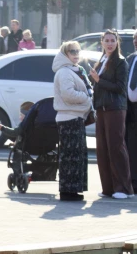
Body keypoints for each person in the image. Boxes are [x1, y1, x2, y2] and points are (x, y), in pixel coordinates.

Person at [89, 29, 134, 199]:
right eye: (106, 40)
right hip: (101, 108)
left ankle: (123, 188)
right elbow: (96, 83)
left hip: (115, 109)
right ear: (102, 42)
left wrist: (99, 80)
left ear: (117, 43)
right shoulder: (101, 60)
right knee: (102, 149)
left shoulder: (121, 62)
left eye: (112, 40)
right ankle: (108, 188)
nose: (109, 43)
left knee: (116, 147)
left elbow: (120, 87)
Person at [52, 41, 92, 201]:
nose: (76, 54)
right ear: (65, 54)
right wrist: (87, 98)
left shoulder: (77, 70)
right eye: (72, 51)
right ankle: (67, 192)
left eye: (77, 51)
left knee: (77, 156)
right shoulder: (64, 72)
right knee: (70, 157)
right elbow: (68, 94)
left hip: (76, 118)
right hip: (68, 119)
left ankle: (73, 191)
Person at [126, 30, 137, 191]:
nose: (136, 41)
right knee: (131, 145)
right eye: (135, 38)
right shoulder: (130, 58)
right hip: (131, 110)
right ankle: (133, 182)